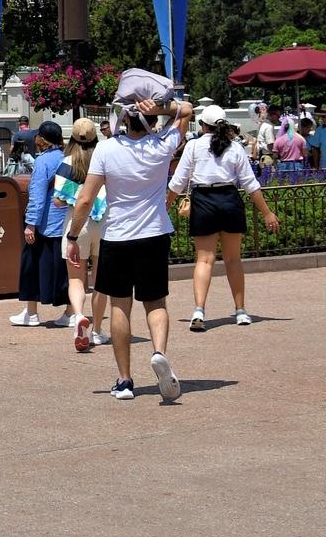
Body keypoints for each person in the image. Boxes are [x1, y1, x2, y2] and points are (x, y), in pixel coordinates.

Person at [66, 94, 193, 402]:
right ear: (152, 119)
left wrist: (73, 237)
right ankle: (159, 353)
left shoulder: (107, 149)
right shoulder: (162, 145)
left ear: (123, 119)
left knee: (120, 306)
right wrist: (162, 107)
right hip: (154, 233)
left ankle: (124, 380)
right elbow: (187, 110)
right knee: (156, 302)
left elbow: (84, 199)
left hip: (118, 236)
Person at [169, 105, 281, 331]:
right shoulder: (236, 148)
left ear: (203, 125)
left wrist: (165, 205)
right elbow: (251, 184)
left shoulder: (193, 146)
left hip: (203, 201)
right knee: (233, 259)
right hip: (229, 199)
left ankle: (199, 310)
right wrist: (267, 212)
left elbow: (178, 182)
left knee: (204, 260)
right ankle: (240, 311)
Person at [10, 120, 74, 328]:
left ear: (42, 140)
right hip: (65, 220)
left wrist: (30, 224)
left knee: (30, 266)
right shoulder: (68, 158)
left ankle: (32, 312)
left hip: (45, 222)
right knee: (67, 269)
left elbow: (37, 195)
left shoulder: (43, 161)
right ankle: (71, 312)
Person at [55, 118, 109, 352]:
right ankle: (97, 330)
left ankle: (78, 317)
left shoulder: (67, 162)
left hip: (76, 224)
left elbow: (58, 200)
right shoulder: (105, 158)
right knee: (101, 281)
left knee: (76, 278)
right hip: (105, 222)